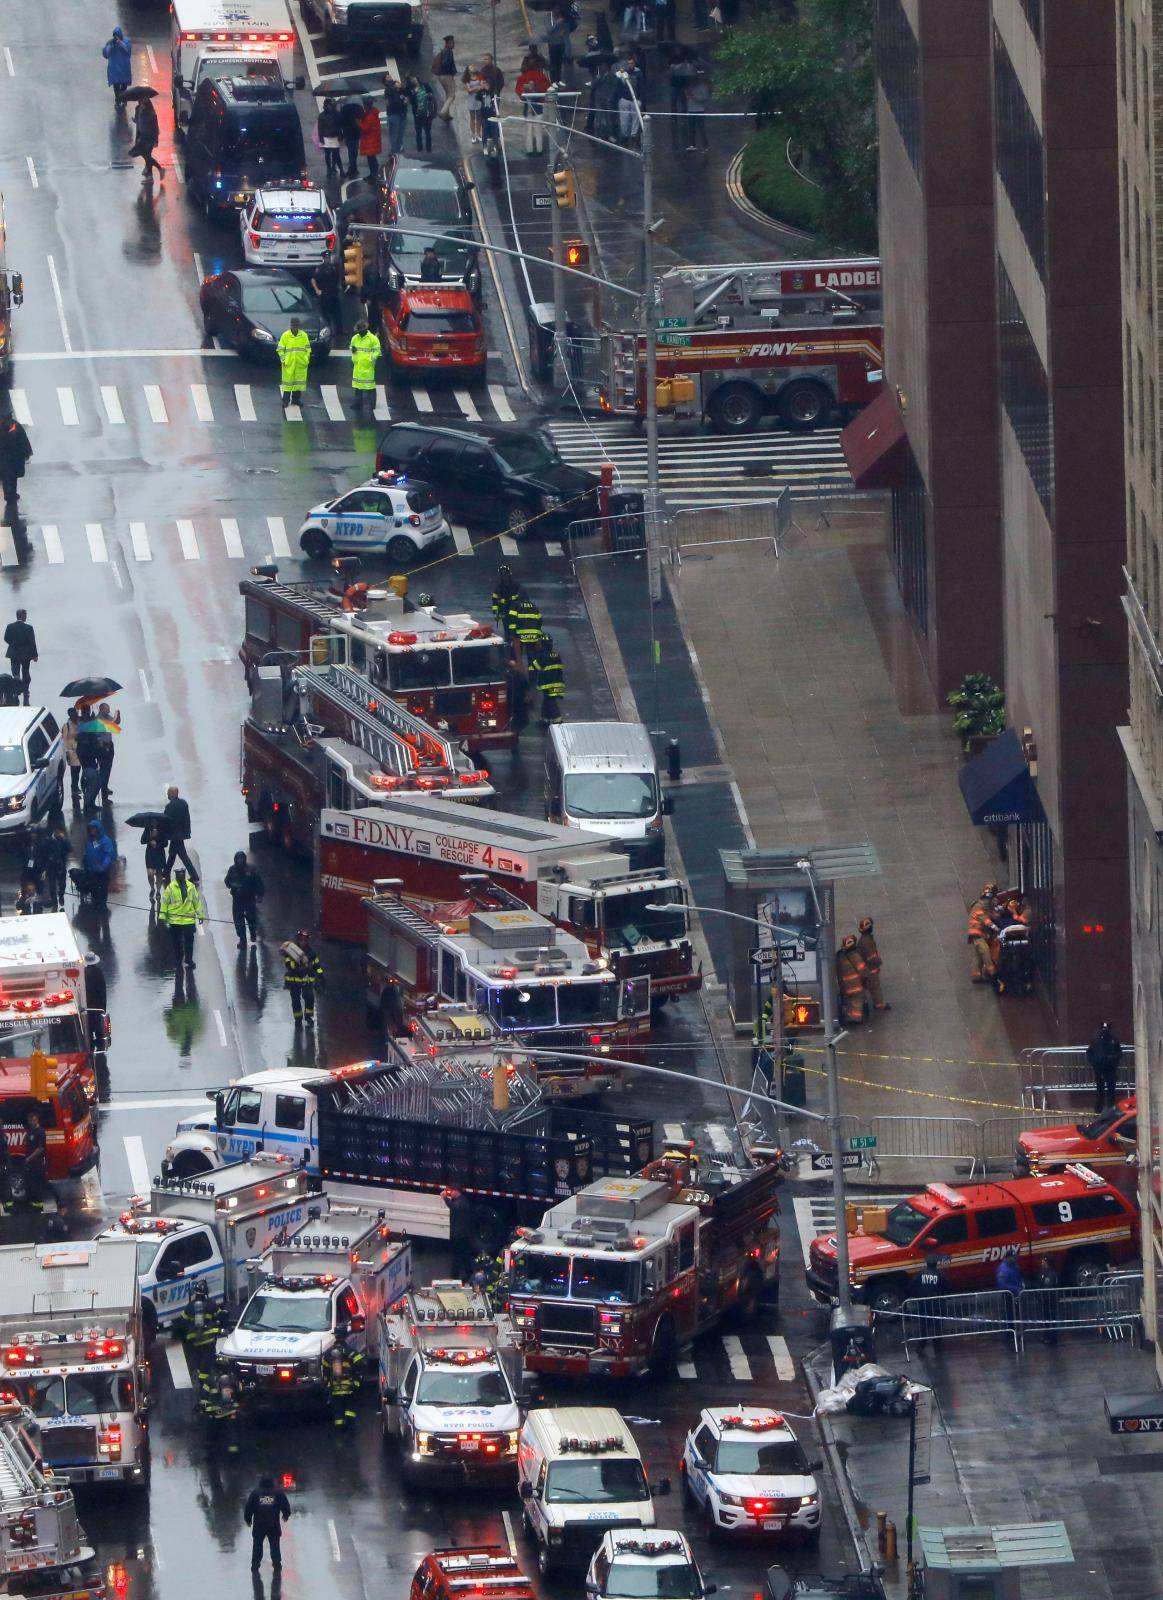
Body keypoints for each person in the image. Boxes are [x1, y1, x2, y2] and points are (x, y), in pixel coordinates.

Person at [159, 867, 204, 971]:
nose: (181, 875)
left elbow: (196, 902)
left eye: (182, 873)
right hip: (175, 921)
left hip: (188, 920)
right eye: (179, 873)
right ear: (176, 875)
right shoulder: (170, 888)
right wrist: (163, 917)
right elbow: (165, 903)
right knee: (177, 943)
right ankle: (178, 960)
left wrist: (200, 915)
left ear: (185, 874)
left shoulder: (191, 887)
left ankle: (189, 959)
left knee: (189, 942)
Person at [244, 1475, 291, 1572]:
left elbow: (249, 1507)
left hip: (259, 1525)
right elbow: (285, 1505)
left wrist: (248, 1520)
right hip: (273, 1524)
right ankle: (277, 1564)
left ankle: (255, 1565)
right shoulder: (278, 1492)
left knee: (257, 1545)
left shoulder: (255, 1493)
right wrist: (286, 1515)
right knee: (274, 1545)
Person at [282, 930, 323, 1025]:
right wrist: (298, 966)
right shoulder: (292, 952)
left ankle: (308, 1017)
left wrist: (320, 976)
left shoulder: (311, 953)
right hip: (294, 981)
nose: (303, 942)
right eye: (301, 940)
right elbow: (288, 965)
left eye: (305, 940)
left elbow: (317, 966)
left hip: (307, 980)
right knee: (295, 1000)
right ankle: (298, 1019)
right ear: (298, 940)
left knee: (309, 998)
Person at [224, 851, 265, 947]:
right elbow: (227, 881)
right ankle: (242, 939)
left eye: (242, 859)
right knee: (238, 920)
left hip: (249, 898)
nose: (240, 861)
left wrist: (260, 895)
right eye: (238, 859)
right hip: (237, 899)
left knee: (252, 918)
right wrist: (233, 885)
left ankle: (253, 933)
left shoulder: (251, 869)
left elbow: (258, 882)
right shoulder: (232, 870)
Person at [911, 1253, 949, 1352]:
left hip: (923, 1305)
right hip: (937, 1305)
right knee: (937, 1326)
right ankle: (937, 1347)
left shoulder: (920, 1274)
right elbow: (947, 1287)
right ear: (936, 1263)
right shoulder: (940, 1275)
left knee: (923, 1327)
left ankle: (921, 1346)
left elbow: (912, 1287)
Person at [0, 413, 32, 524]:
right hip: (5, 459)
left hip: (15, 458)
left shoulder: (16, 427)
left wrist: (27, 452)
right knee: (6, 477)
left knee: (12, 477)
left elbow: (24, 440)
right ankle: (9, 494)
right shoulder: (10, 428)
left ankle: (12, 493)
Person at [516, 54, 550, 154]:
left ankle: (529, 150)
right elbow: (546, 90)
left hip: (528, 109)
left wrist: (527, 90)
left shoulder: (522, 78)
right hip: (538, 109)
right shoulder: (540, 76)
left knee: (529, 131)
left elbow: (520, 93)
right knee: (538, 131)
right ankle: (539, 150)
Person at [15, 1110, 48, 1213]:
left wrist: (29, 1158)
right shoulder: (30, 1132)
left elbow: (40, 1148)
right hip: (30, 1164)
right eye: (30, 1120)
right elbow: (27, 1143)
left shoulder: (40, 1132)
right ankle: (32, 1204)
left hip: (37, 1163)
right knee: (30, 1184)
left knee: (37, 1184)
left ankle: (38, 1206)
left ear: (37, 1120)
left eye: (34, 1120)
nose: (32, 1122)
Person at [326, 1335, 362, 1430]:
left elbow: (325, 1369)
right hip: (349, 1389)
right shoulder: (350, 1351)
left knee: (338, 1413)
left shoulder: (329, 1353)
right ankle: (350, 1428)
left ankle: (339, 1430)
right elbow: (360, 1363)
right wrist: (356, 1383)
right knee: (350, 1410)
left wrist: (327, 1385)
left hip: (335, 1390)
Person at [163, 786, 199, 880]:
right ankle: (166, 873)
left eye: (168, 793)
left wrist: (164, 833)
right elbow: (187, 819)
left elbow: (165, 820)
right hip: (181, 834)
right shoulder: (184, 804)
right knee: (172, 854)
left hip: (174, 835)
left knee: (183, 856)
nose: (167, 795)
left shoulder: (169, 806)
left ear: (172, 794)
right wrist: (187, 832)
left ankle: (194, 876)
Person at [348, 319, 381, 420]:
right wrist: (352, 351)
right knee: (357, 386)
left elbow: (377, 351)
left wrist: (371, 359)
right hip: (358, 366)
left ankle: (372, 404)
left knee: (370, 386)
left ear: (365, 330)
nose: (359, 333)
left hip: (368, 367)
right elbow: (351, 347)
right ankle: (358, 403)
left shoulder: (373, 339)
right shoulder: (355, 338)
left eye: (360, 331)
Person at [529, 632, 565, 724]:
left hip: (548, 684)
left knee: (550, 701)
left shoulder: (542, 655)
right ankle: (544, 719)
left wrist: (535, 654)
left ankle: (557, 719)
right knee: (547, 699)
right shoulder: (556, 655)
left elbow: (536, 666)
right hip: (558, 682)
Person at [1087, 1022, 1123, 1113]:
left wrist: (1114, 1060)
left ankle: (1111, 1111)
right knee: (1100, 1092)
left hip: (1110, 1069)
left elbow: (1119, 1053)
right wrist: (1095, 1063)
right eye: (1103, 1029)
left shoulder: (1113, 1040)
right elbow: (1089, 1053)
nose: (1105, 1031)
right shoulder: (1096, 1040)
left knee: (1111, 1092)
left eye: (1106, 1029)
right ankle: (1099, 1110)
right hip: (1100, 1070)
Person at [855, 916, 889, 1011]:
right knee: (875, 988)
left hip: (866, 969)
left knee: (869, 987)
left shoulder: (864, 940)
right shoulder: (867, 941)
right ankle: (879, 1005)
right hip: (870, 970)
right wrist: (878, 961)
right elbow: (871, 957)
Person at [966, 885, 998, 984]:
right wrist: (994, 927)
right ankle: (992, 973)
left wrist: (999, 912)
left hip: (980, 934)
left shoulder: (986, 907)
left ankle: (976, 976)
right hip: (977, 934)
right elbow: (985, 920)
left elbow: (993, 915)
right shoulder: (979, 906)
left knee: (977, 956)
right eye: (989, 899)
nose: (989, 901)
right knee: (985, 951)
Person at [80, 819, 115, 907]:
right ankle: (96, 908)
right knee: (94, 890)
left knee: (102, 891)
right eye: (91, 829)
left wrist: (103, 866)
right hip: (92, 871)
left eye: (94, 828)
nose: (92, 831)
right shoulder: (89, 841)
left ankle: (102, 908)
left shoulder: (105, 841)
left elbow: (109, 855)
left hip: (103, 872)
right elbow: (87, 853)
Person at [277, 318, 311, 410]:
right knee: (288, 384)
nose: (295, 326)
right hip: (289, 364)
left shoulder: (303, 336)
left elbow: (308, 349)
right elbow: (280, 349)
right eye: (294, 324)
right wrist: (284, 360)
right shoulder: (285, 336)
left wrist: (306, 359)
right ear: (291, 325)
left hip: (300, 364)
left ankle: (296, 400)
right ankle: (285, 401)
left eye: (297, 324)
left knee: (298, 384)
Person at [3, 610, 36, 703]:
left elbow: (6, 638)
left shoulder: (10, 626)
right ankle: (25, 692)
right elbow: (32, 642)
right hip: (26, 655)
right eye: (25, 615)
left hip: (13, 654)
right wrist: (35, 655)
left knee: (15, 674)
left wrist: (13, 645)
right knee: (26, 673)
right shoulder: (29, 628)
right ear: (21, 615)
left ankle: (15, 693)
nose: (26, 617)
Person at [130, 95, 165, 181]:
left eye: (143, 103)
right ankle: (153, 170)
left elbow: (155, 127)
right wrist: (135, 120)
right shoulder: (137, 109)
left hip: (150, 137)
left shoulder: (151, 113)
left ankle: (150, 174)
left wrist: (156, 140)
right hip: (141, 136)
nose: (141, 104)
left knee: (147, 155)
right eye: (140, 102)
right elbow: (138, 121)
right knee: (144, 154)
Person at [835, 934, 868, 1024]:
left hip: (845, 986)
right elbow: (862, 969)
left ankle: (849, 1016)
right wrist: (865, 978)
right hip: (856, 985)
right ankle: (856, 1019)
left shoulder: (840, 957)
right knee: (857, 1002)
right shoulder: (854, 955)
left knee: (850, 1002)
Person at [102, 26, 133, 109]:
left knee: (123, 86)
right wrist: (110, 46)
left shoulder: (126, 42)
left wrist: (121, 44)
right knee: (116, 87)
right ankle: (118, 100)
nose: (116, 38)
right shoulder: (110, 43)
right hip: (115, 69)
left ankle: (124, 99)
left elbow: (128, 51)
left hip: (124, 69)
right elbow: (106, 54)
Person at [95, 702, 120, 803]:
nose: (109, 710)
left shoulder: (106, 717)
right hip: (103, 747)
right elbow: (98, 734)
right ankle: (104, 792)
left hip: (109, 745)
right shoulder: (99, 719)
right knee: (104, 769)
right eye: (107, 708)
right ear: (102, 709)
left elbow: (115, 723)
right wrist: (102, 746)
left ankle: (105, 786)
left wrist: (118, 717)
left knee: (108, 768)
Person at [42, 824, 70, 911]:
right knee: (52, 885)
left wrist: (64, 840)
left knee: (62, 883)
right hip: (51, 866)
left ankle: (61, 895)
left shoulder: (63, 840)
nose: (58, 833)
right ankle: (55, 902)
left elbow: (70, 849)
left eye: (59, 831)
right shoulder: (48, 840)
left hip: (61, 865)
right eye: (56, 831)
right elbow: (45, 852)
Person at [407, 76, 436, 151]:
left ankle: (428, 149)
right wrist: (414, 95)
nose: (414, 80)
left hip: (427, 112)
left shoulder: (425, 85)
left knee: (427, 131)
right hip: (418, 113)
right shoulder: (411, 90)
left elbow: (432, 95)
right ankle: (420, 149)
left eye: (414, 78)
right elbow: (412, 102)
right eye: (411, 80)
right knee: (418, 132)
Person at [433, 35, 458, 121]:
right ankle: (443, 112)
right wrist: (452, 71)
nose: (454, 44)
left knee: (448, 94)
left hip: (441, 76)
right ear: (449, 43)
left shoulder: (444, 51)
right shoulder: (448, 52)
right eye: (452, 43)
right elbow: (446, 63)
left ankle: (446, 114)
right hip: (447, 76)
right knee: (452, 95)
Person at [317, 95, 343, 177]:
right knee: (328, 154)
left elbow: (340, 125)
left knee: (336, 154)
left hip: (335, 136)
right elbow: (320, 128)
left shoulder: (337, 114)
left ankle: (338, 168)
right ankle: (329, 169)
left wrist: (341, 135)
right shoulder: (322, 116)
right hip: (326, 137)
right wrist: (321, 138)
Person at [383, 76, 409, 155]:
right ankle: (394, 150)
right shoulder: (389, 90)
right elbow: (394, 101)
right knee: (394, 133)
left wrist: (400, 87)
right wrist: (403, 102)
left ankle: (398, 147)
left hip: (402, 114)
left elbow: (406, 93)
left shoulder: (399, 90)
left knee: (400, 132)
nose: (390, 77)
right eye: (388, 77)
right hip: (394, 114)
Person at [339, 95, 364, 176]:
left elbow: (341, 121)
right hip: (356, 132)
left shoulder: (344, 109)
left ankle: (352, 167)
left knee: (350, 150)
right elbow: (362, 119)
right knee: (354, 150)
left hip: (348, 132)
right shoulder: (359, 108)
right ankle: (353, 167)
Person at [358, 96, 382, 178]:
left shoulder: (370, 117)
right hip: (371, 140)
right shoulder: (372, 115)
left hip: (370, 141)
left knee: (371, 159)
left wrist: (359, 122)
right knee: (371, 158)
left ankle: (374, 174)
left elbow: (364, 128)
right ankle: (373, 173)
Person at [142, 823, 166, 901]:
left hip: (159, 854)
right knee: (150, 873)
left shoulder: (162, 828)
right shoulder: (147, 828)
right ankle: (152, 888)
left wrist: (157, 844)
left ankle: (158, 891)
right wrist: (150, 839)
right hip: (150, 854)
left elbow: (165, 843)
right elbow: (142, 840)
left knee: (159, 873)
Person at [61, 707, 81, 802]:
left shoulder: (79, 723)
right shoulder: (67, 726)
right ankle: (74, 788)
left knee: (79, 770)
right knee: (74, 772)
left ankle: (77, 787)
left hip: (80, 750)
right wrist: (66, 752)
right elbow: (64, 740)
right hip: (72, 752)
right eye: (73, 713)